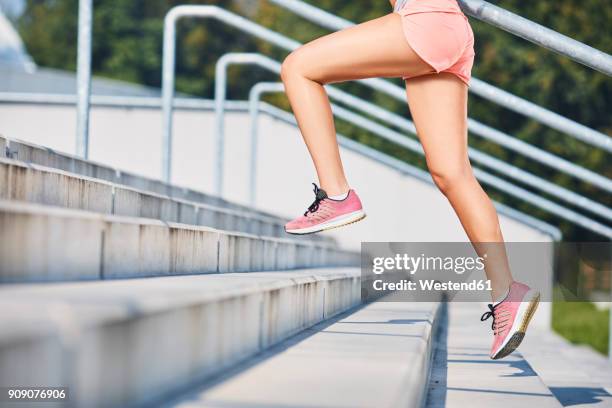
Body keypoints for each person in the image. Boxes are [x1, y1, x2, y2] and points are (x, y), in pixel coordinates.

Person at [279, 0, 540, 359]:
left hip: (424, 21)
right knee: (451, 173)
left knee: (298, 68)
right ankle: (506, 291)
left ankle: (337, 195)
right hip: (449, 31)